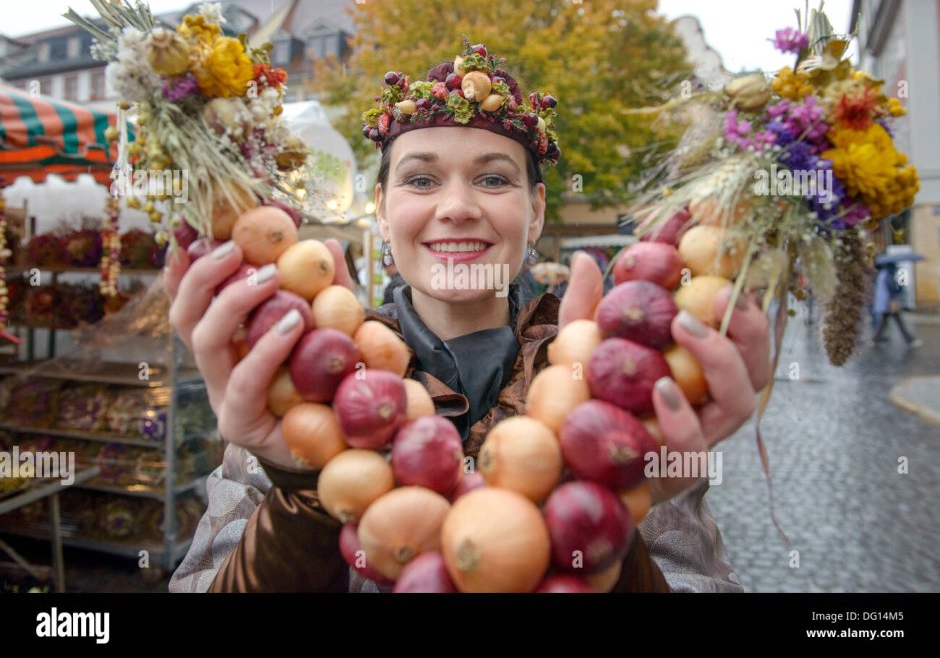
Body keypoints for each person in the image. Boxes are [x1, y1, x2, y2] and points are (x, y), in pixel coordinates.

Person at [164, 43, 771, 593]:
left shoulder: (618, 384)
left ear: (534, 212)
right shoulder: (302, 384)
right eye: (422, 179)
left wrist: (601, 521)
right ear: (381, 211)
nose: (456, 208)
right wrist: (306, 496)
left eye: (491, 178)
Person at [872, 262, 922, 347]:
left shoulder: (883, 274)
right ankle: (909, 340)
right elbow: (893, 288)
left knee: (885, 321)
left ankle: (876, 338)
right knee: (898, 321)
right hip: (889, 302)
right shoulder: (888, 275)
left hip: (885, 302)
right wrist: (899, 288)